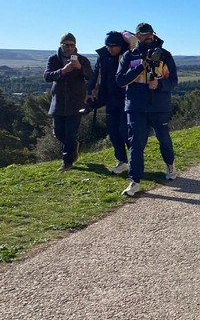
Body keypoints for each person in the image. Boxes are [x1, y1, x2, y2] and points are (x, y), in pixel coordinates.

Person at [116, 23, 179, 196]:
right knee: (136, 144)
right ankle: (134, 181)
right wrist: (141, 67)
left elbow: (174, 81)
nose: (149, 36)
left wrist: (159, 84)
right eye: (144, 34)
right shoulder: (129, 56)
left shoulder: (165, 55)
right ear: (137, 36)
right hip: (136, 107)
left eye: (151, 33)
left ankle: (170, 166)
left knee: (164, 139)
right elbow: (120, 80)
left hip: (160, 107)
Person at [44, 33, 94, 171]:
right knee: (59, 133)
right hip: (59, 102)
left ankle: (67, 162)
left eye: (72, 45)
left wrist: (79, 68)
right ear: (61, 45)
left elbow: (90, 76)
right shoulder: (53, 59)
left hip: (76, 102)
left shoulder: (82, 60)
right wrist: (63, 71)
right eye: (66, 45)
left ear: (75, 46)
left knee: (71, 133)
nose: (69, 48)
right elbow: (47, 76)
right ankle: (73, 147)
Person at [86, 31, 130, 174]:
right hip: (110, 99)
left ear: (120, 45)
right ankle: (122, 161)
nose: (109, 48)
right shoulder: (103, 56)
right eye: (107, 45)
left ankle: (135, 160)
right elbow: (95, 76)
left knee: (125, 130)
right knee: (113, 131)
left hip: (127, 99)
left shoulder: (129, 54)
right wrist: (90, 92)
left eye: (113, 46)